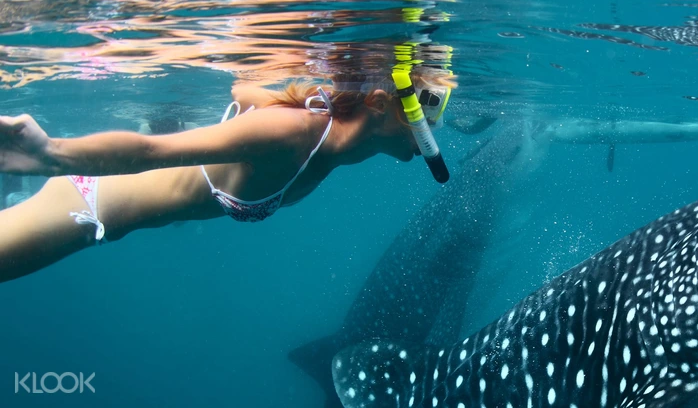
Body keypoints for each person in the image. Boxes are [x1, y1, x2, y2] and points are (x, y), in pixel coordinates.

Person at [0, 69, 456, 283]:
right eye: (422, 115)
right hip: (86, 203)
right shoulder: (294, 133)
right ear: (378, 103)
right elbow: (151, 150)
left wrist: (257, 90)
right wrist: (51, 154)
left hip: (105, 217)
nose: (429, 132)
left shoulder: (330, 140)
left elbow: (242, 88)